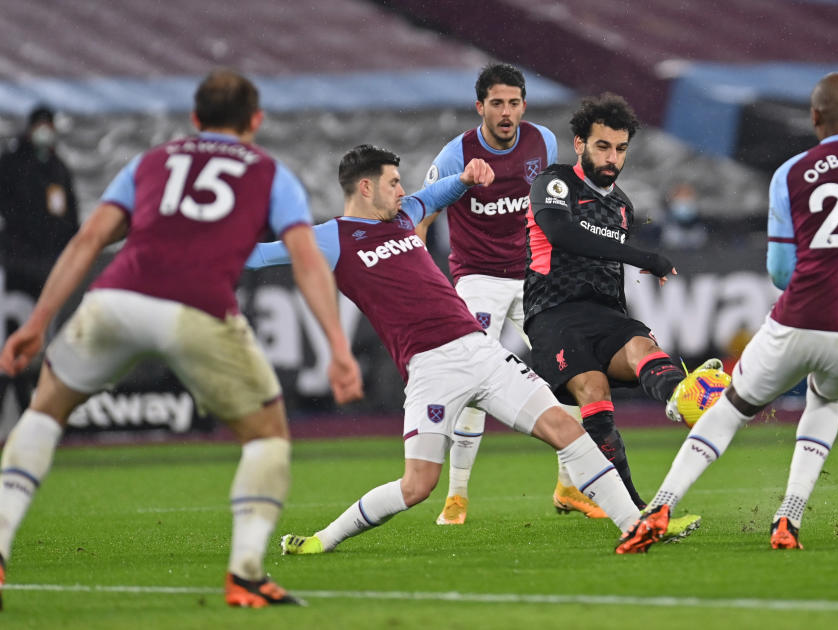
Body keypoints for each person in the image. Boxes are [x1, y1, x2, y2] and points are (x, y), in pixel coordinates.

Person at [0, 69, 363, 610]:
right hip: (198, 308)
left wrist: (37, 322)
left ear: (194, 119)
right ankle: (244, 575)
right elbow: (307, 259)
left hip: (116, 298)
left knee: (45, 412)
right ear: (255, 121)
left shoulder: (151, 161)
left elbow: (89, 239)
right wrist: (337, 344)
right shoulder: (268, 172)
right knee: (266, 434)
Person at [246, 144, 648, 556]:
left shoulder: (403, 216)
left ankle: (635, 525)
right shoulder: (332, 237)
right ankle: (320, 541)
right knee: (417, 486)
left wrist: (466, 177)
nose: (403, 190)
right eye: (393, 182)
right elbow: (261, 255)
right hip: (431, 369)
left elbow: (436, 195)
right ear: (366, 187)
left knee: (567, 430)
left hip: (481, 350)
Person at [615, 72, 838, 554]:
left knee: (734, 407)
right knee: (825, 403)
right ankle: (788, 518)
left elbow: (782, 273)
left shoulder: (793, 173)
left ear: (815, 117)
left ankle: (659, 507)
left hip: (800, 318)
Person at [416, 62, 604, 524]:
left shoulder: (543, 142)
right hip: (478, 279)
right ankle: (456, 496)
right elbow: (420, 214)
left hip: (533, 276)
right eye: (496, 103)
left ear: (524, 105)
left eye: (513, 102)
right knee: (473, 380)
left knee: (577, 370)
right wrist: (419, 281)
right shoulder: (456, 154)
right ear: (479, 106)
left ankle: (568, 487)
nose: (505, 112)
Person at [524, 93, 722, 524]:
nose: (612, 157)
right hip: (553, 314)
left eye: (620, 148)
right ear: (579, 144)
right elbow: (561, 233)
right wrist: (643, 256)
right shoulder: (554, 183)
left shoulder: (622, 206)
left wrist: (628, 311)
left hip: (604, 313)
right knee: (594, 393)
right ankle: (636, 511)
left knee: (641, 346)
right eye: (602, 146)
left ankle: (680, 398)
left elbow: (607, 267)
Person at [0, 105, 80, 417]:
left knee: (43, 345)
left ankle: (34, 414)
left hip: (48, 271)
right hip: (14, 267)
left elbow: (70, 219)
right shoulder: (11, 163)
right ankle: (18, 408)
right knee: (10, 338)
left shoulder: (58, 168)